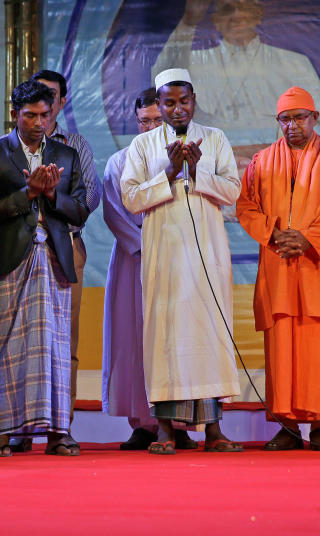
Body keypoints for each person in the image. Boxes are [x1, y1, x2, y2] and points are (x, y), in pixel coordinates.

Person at [120, 68, 242, 455]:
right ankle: (165, 431)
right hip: (165, 254)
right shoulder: (143, 146)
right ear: (158, 104)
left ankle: (215, 431)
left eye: (183, 102)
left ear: (194, 101)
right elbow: (131, 198)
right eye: (168, 103)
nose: (176, 110)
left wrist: (195, 170)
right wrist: (170, 171)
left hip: (207, 250)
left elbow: (233, 192)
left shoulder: (216, 139)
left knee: (210, 333)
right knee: (165, 336)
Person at [0, 80, 89, 457]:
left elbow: (81, 210)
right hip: (14, 258)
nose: (39, 122)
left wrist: (53, 193)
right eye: (30, 115)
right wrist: (28, 193)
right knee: (9, 345)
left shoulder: (65, 155)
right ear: (15, 114)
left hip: (56, 258)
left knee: (56, 345)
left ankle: (60, 431)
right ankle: (5, 431)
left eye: (44, 114)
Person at [236, 87, 320, 451]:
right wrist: (273, 234)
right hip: (279, 263)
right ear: (278, 123)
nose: (292, 126)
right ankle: (286, 425)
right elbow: (246, 206)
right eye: (285, 119)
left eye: (300, 117)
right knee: (281, 342)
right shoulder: (261, 161)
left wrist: (307, 239)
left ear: (314, 118)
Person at [101, 87, 196, 450]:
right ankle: (142, 423)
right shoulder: (120, 161)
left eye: (158, 120)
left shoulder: (185, 158)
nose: (152, 126)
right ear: (136, 121)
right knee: (133, 339)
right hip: (135, 260)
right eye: (145, 121)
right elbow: (114, 211)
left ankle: (179, 422)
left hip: (178, 258)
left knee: (178, 337)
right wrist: (144, 245)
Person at [29, 70, 101, 452]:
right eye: (37, 96)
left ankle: (62, 426)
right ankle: (21, 425)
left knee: (66, 342)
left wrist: (54, 206)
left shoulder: (75, 146)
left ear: (62, 101)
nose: (44, 103)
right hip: (23, 248)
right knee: (22, 338)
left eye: (51, 96)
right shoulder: (10, 146)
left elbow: (88, 199)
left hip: (67, 246)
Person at [152, 0, 320, 130]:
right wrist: (189, 21)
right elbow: (159, 80)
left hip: (278, 161)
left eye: (244, 7)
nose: (236, 16)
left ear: (258, 15)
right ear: (215, 20)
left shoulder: (294, 62)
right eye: (227, 9)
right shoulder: (193, 62)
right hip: (209, 160)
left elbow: (319, 118)